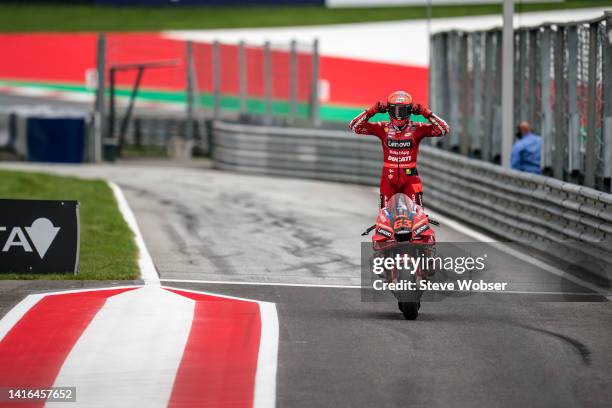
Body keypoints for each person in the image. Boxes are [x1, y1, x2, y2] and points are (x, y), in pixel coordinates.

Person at [349, 90, 450, 208]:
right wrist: (372, 111)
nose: (398, 114)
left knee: (418, 213)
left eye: (402, 110)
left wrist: (426, 113)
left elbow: (444, 129)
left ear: (410, 111)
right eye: (395, 110)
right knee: (385, 214)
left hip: (410, 176)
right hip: (389, 177)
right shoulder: (382, 127)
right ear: (389, 110)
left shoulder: (418, 128)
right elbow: (354, 126)